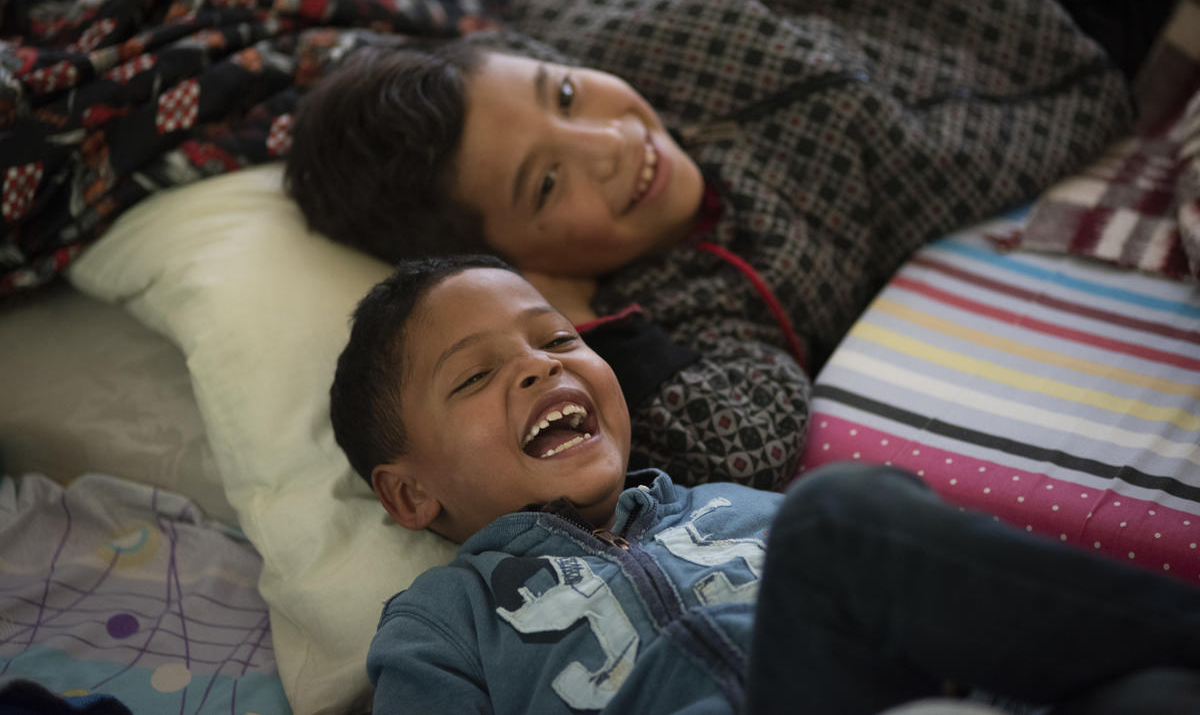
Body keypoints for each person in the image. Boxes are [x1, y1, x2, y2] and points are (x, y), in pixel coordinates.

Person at [288, 0, 1154, 488]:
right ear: (523, 262)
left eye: (564, 95)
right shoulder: (699, 299)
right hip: (1107, 78)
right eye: (547, 185)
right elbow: (750, 430)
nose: (612, 141)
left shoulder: (588, 12)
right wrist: (604, 328)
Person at [331, 253, 1200, 715]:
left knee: (1157, 696)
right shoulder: (441, 622)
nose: (536, 369)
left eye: (557, 341)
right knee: (838, 518)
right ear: (408, 494)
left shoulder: (729, 504)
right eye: (475, 377)